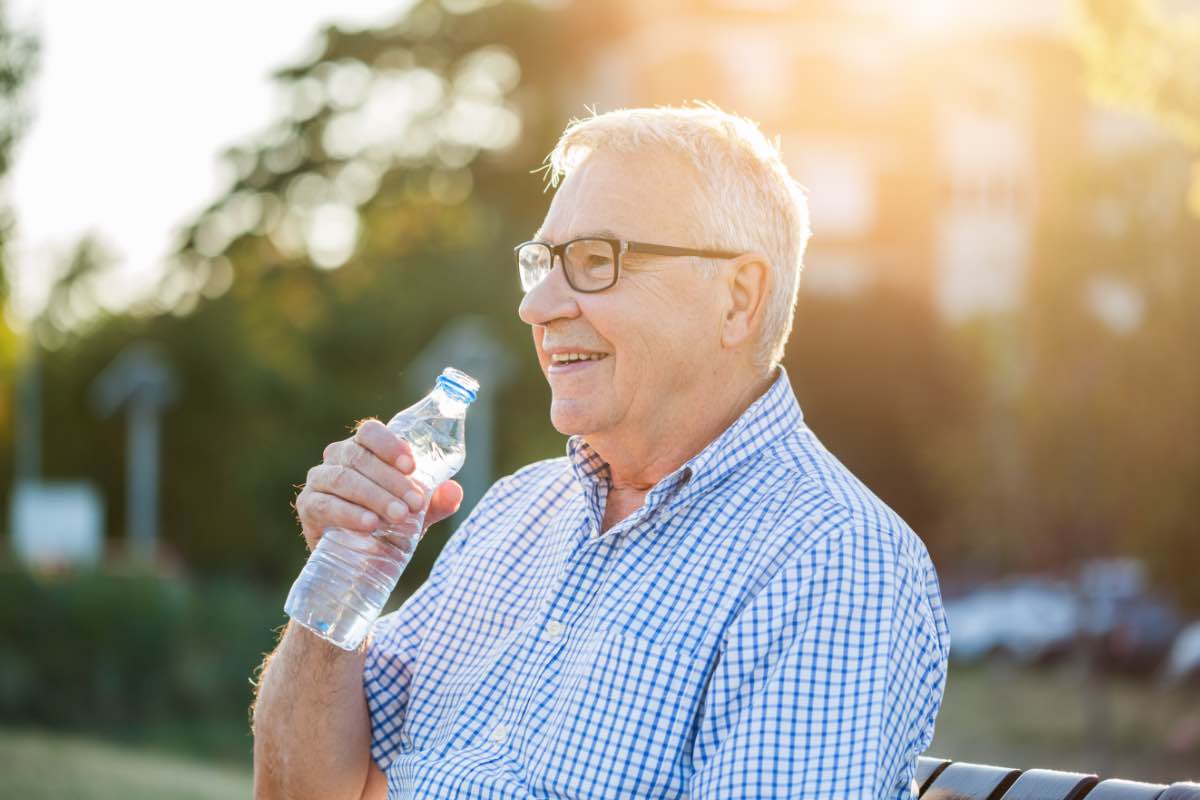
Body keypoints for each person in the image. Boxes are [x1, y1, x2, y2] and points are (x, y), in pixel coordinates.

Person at [252, 104, 951, 800]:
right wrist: (341, 572)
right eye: (542, 263)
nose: (537, 305)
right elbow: (300, 791)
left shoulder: (833, 555)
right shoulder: (516, 512)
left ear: (738, 299)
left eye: (594, 261)